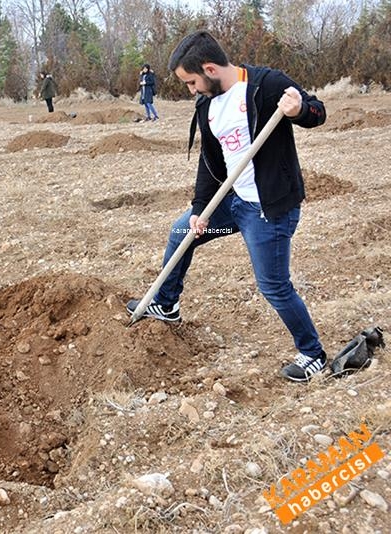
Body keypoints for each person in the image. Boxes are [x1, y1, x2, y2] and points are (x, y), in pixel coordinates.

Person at [126, 30, 328, 383]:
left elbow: (317, 111)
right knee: (181, 233)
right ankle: (168, 304)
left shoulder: (266, 85)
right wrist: (199, 208)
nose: (191, 90)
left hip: (266, 212)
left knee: (274, 286)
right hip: (231, 206)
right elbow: (210, 160)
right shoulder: (207, 104)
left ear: (209, 68)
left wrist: (298, 110)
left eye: (191, 82)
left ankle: (313, 354)